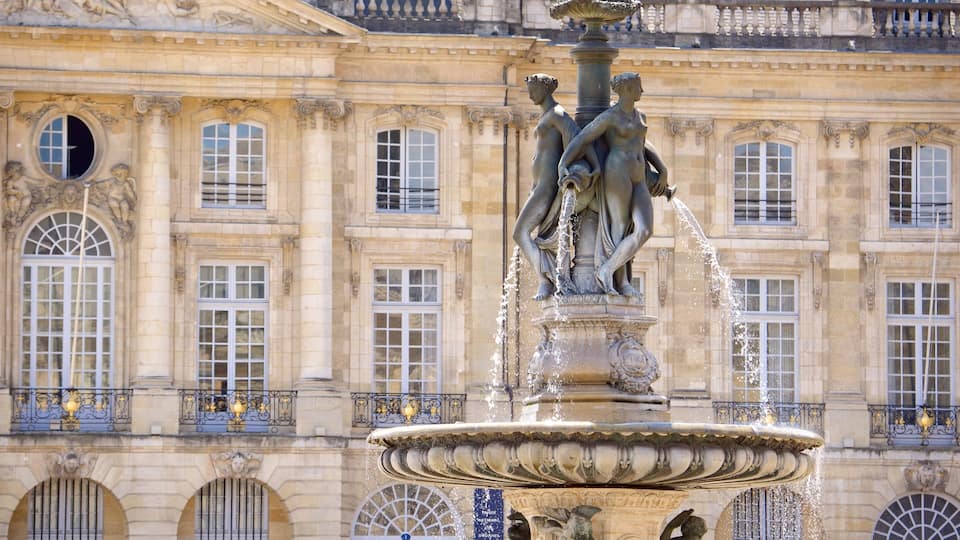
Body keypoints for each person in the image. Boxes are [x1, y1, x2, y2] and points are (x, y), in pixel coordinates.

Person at [558, 72, 670, 297]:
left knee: (644, 230)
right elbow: (582, 138)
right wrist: (564, 163)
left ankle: (607, 268)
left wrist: (663, 170)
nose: (642, 91)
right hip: (617, 171)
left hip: (638, 175)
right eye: (639, 86)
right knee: (618, 229)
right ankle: (621, 281)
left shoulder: (640, 116)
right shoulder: (611, 117)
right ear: (627, 90)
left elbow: (644, 145)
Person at [513, 73, 599, 299]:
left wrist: (596, 166)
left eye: (533, 87)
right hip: (539, 186)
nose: (530, 92)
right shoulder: (548, 116)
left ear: (545, 88)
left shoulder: (557, 114)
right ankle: (549, 277)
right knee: (522, 233)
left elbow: (579, 139)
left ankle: (547, 279)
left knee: (520, 232)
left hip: (547, 187)